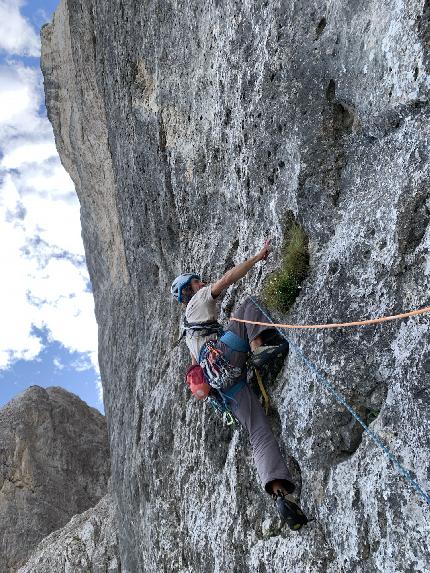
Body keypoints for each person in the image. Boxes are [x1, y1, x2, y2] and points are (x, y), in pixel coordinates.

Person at [171, 240, 308, 530]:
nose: (202, 282)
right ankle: (259, 349)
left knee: (258, 431)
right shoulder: (197, 302)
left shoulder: (189, 336)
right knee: (249, 306)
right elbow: (227, 280)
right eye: (197, 281)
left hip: (224, 387)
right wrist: (258, 257)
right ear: (189, 289)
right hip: (228, 361)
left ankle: (278, 491)